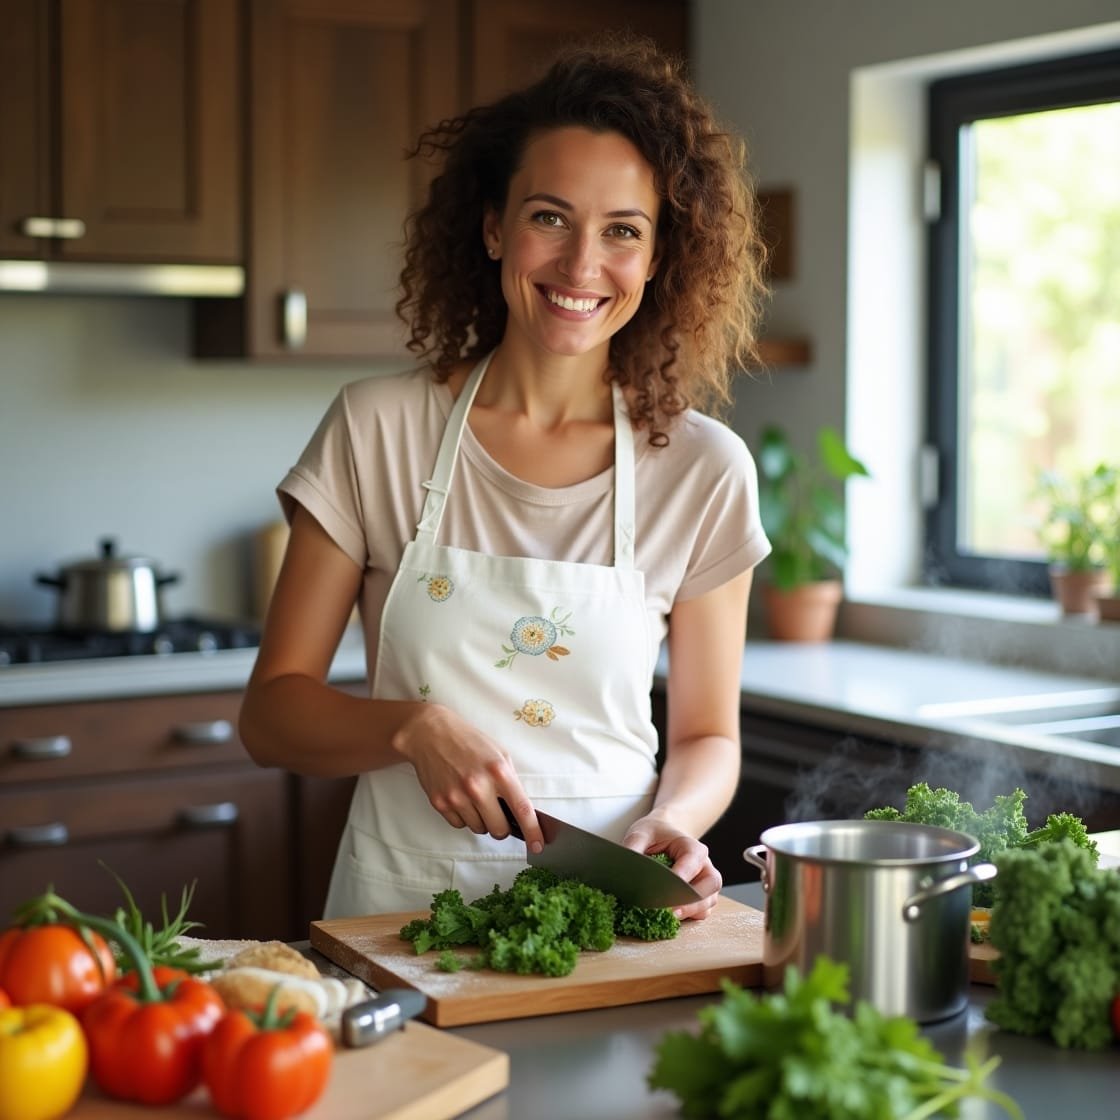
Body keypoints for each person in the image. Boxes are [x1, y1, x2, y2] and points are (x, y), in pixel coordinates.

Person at [239, 34, 771, 922]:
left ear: (657, 257)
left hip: (605, 909)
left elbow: (710, 736)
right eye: (549, 218)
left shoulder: (704, 469)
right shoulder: (377, 429)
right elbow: (272, 715)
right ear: (494, 226)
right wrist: (408, 727)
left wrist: (675, 819)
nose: (581, 266)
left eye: (622, 232)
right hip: (398, 914)